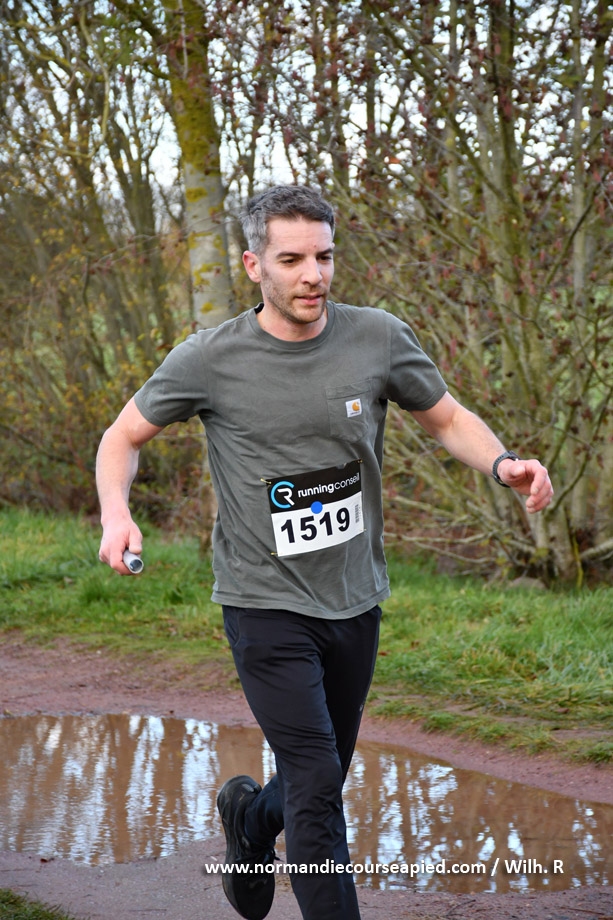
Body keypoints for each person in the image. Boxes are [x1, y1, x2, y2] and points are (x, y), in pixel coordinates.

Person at [96, 185, 553, 920]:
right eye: (292, 260)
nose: (314, 274)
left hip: (353, 596)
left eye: (324, 256)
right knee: (315, 782)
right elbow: (122, 437)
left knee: (322, 771)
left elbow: (446, 418)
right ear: (254, 265)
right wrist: (117, 513)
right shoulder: (209, 359)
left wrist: (504, 464)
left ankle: (249, 822)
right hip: (263, 603)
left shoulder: (376, 337)